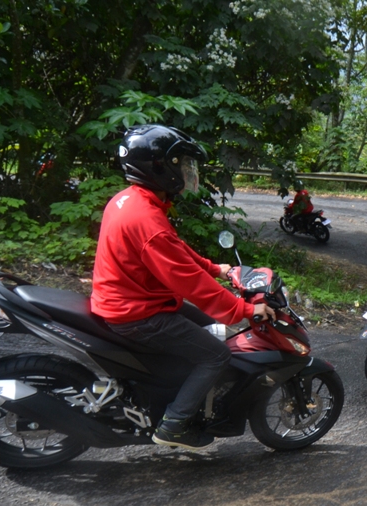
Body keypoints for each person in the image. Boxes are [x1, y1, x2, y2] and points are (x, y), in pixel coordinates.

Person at [90, 124, 275, 451]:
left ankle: (177, 393)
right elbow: (191, 284)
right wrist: (245, 310)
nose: (189, 172)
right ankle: (174, 425)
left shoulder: (131, 201)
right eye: (183, 165)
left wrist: (215, 268)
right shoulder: (146, 219)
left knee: (211, 329)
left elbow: (175, 251)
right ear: (159, 168)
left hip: (133, 300)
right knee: (216, 355)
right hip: (138, 314)